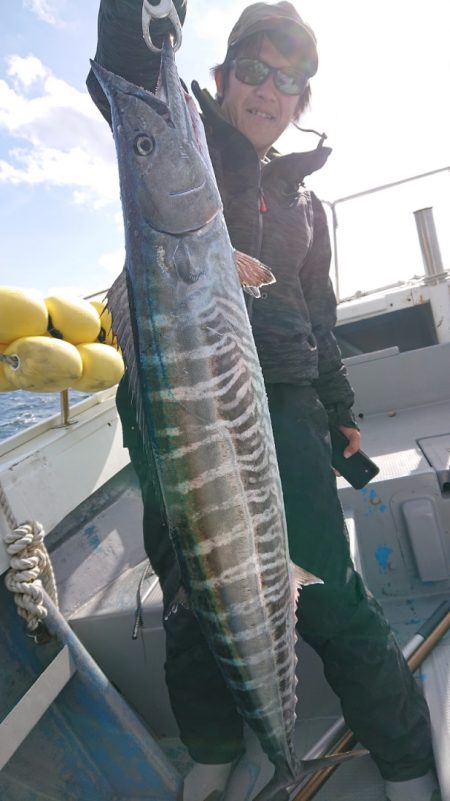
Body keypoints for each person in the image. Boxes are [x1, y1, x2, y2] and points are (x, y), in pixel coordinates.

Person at [87, 3, 439, 800]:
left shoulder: (307, 204)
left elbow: (319, 317)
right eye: (253, 71)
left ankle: (405, 757)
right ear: (221, 79)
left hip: (281, 409)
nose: (268, 91)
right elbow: (126, 76)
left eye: (288, 82)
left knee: (329, 590)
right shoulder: (193, 141)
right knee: (191, 594)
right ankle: (214, 748)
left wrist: (340, 409)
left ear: (299, 102)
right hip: (170, 414)